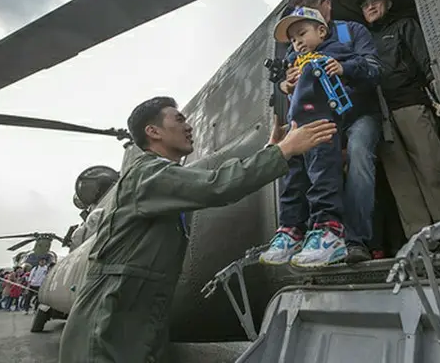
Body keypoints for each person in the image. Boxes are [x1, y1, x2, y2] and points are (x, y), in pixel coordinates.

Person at [58, 96, 337, 363]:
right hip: (107, 327)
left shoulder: (158, 176)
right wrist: (284, 151)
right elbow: (214, 186)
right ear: (153, 131)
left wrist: (270, 151)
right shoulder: (146, 174)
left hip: (132, 321)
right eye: (179, 119)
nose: (189, 126)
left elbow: (206, 183)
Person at [277, 0, 382, 263]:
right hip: (323, 120)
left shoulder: (352, 32)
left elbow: (374, 70)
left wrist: (343, 68)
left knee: (359, 153)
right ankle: (305, 232)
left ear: (326, 5)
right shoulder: (293, 50)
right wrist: (286, 86)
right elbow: (291, 91)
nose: (302, 12)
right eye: (298, 7)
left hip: (358, 115)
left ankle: (355, 241)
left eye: (309, 5)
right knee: (302, 164)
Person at [358, 0, 440, 252]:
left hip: (410, 105)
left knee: (432, 169)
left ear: (388, 4)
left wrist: (439, 93)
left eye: (375, 1)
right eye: (365, 5)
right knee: (401, 182)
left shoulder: (405, 26)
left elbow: (425, 61)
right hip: (381, 116)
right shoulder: (361, 42)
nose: (370, 7)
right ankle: (423, 245)